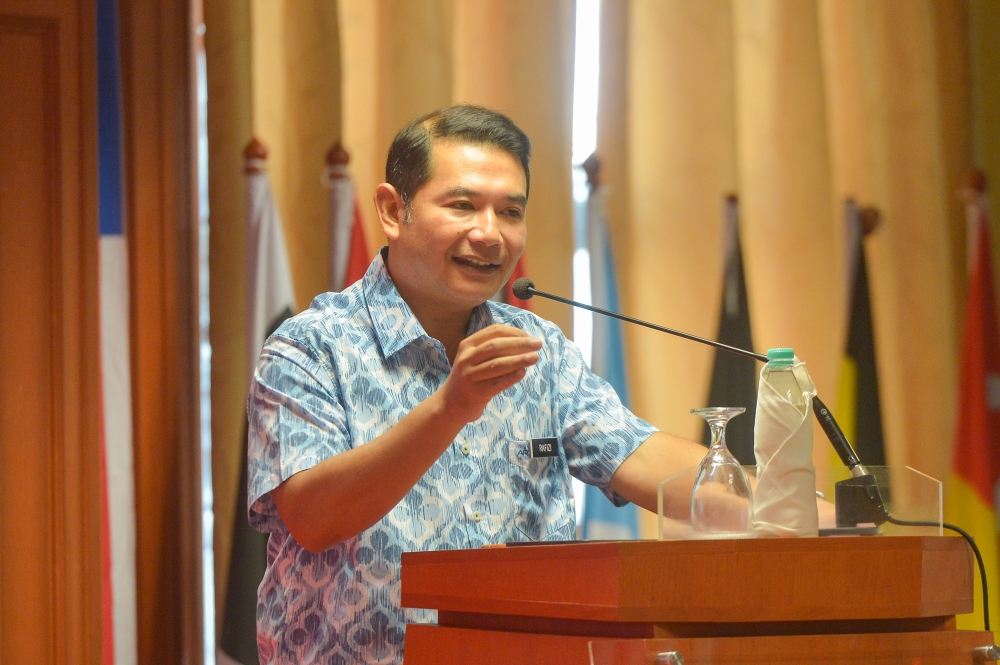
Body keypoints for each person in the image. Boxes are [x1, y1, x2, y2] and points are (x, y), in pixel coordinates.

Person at [247, 105, 714, 664]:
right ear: (394, 210)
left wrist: (800, 507)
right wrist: (451, 407)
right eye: (463, 205)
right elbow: (315, 517)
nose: (490, 234)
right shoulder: (308, 348)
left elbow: (645, 462)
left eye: (510, 211)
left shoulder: (542, 349)